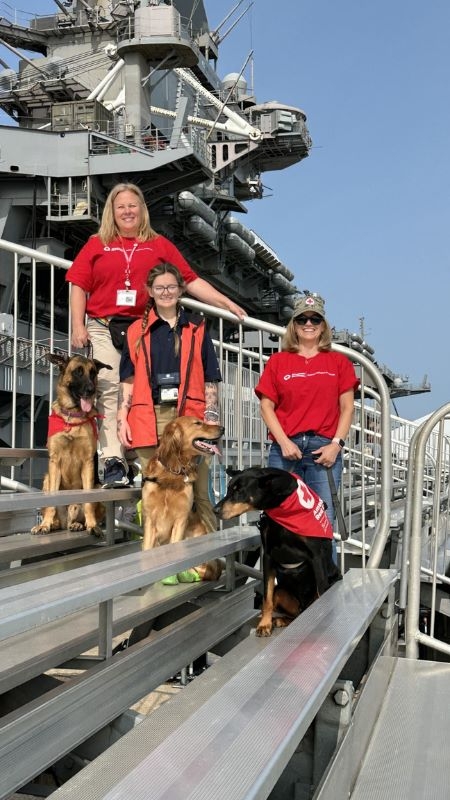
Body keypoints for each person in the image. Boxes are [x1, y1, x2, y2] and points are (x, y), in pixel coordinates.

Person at [65, 182, 245, 488]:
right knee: (108, 391)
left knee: (140, 397)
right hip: (103, 324)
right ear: (112, 211)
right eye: (120, 206)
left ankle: (132, 455)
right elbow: (78, 284)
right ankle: (112, 461)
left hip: (142, 329)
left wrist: (225, 302)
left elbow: (189, 280)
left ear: (142, 210)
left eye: (132, 205)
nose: (127, 211)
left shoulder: (158, 244)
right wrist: (77, 326)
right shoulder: (97, 243)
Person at [117, 262, 221, 533]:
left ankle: (209, 559)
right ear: (149, 291)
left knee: (199, 492)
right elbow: (127, 380)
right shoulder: (134, 332)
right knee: (152, 491)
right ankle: (156, 559)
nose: (166, 292)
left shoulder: (197, 327)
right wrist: (121, 418)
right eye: (160, 287)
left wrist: (210, 416)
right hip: (149, 415)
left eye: (171, 287)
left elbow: (211, 376)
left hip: (190, 419)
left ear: (181, 289)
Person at [255, 293, 359, 534]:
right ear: (294, 325)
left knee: (322, 522)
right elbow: (266, 406)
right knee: (279, 520)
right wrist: (283, 442)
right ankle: (282, 573)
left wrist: (336, 445)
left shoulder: (338, 362)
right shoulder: (278, 362)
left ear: (323, 326)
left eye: (315, 320)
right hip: (285, 449)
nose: (309, 325)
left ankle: (324, 573)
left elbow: (347, 408)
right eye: (302, 320)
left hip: (323, 450)